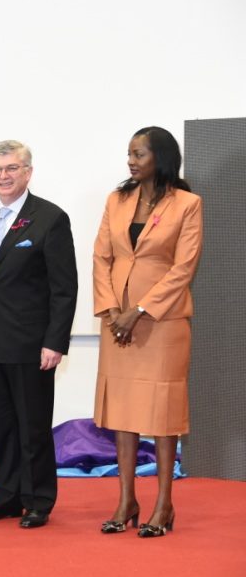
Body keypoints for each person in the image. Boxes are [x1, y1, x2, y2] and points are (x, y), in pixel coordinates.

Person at [93, 126, 202, 538]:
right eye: (129, 153)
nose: (131, 161)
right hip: (116, 323)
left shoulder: (187, 203)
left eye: (139, 154)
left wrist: (138, 311)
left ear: (161, 156)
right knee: (122, 413)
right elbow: (100, 256)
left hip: (162, 324)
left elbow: (183, 268)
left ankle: (163, 503)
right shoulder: (117, 199)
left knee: (161, 414)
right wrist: (112, 311)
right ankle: (126, 500)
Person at [0, 140, 77, 529]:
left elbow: (64, 288)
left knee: (32, 425)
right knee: (0, 424)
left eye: (12, 168)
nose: (4, 176)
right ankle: (7, 495)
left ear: (28, 172)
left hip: (32, 343)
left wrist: (55, 341)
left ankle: (38, 500)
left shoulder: (49, 218)